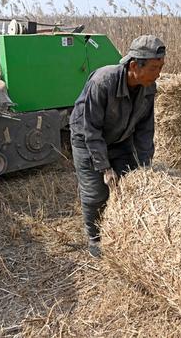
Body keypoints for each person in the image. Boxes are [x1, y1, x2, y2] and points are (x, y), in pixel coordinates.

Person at [69, 34, 165, 257]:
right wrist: (104, 168)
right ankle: (94, 238)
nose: (158, 73)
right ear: (134, 65)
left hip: (121, 138)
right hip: (87, 139)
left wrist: (144, 166)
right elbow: (91, 130)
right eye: (154, 68)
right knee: (95, 194)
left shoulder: (148, 87)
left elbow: (144, 129)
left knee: (130, 183)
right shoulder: (103, 82)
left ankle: (123, 231)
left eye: (161, 67)